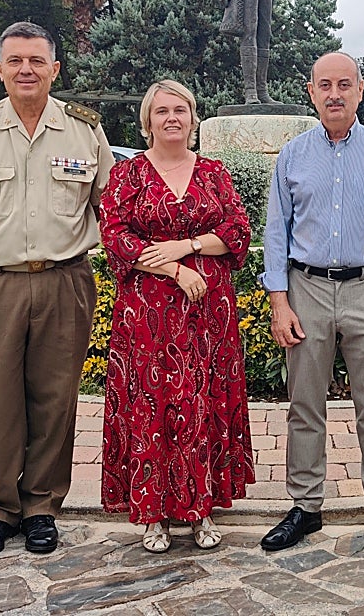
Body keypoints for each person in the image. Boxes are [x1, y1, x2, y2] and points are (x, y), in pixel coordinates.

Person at [0, 21, 114, 559]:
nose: (26, 70)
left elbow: (107, 202)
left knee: (56, 400)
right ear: (0, 70)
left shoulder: (84, 130)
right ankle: (0, 508)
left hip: (65, 282)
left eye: (37, 61)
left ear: (55, 69)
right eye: (16, 61)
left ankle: (41, 508)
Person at [260, 51, 364, 556]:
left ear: (360, 90)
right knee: (304, 406)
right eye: (324, 85)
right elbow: (275, 233)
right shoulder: (292, 156)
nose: (334, 93)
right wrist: (279, 301)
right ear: (311, 91)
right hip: (305, 291)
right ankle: (306, 507)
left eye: (344, 84)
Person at [99, 79, 255, 552]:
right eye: (162, 110)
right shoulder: (128, 176)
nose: (172, 118)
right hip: (148, 316)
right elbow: (116, 235)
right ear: (147, 121)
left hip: (209, 315)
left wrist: (186, 246)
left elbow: (237, 229)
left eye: (181, 110)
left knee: (203, 403)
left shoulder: (213, 172)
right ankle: (154, 514)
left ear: (193, 118)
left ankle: (202, 509)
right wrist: (175, 270)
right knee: (152, 404)